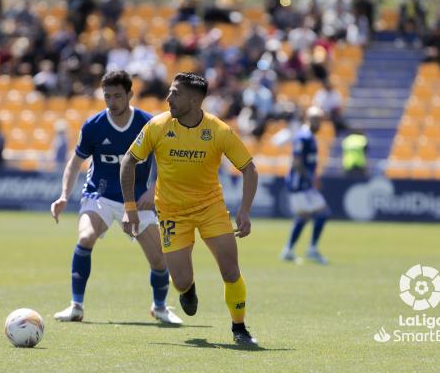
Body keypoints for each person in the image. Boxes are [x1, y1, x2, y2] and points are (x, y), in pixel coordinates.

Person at [120, 72, 259, 346]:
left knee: (231, 270)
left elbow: (249, 169)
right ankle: (188, 290)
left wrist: (245, 211)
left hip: (211, 208)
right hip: (172, 213)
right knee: (181, 281)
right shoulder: (157, 126)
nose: (168, 98)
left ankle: (239, 327)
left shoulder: (218, 130)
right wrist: (129, 208)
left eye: (175, 93)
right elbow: (128, 162)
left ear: (194, 100)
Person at [50, 70, 182, 325]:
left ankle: (160, 307)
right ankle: (76, 306)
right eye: (107, 96)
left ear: (130, 95)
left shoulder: (148, 123)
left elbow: (166, 159)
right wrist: (64, 195)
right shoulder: (93, 126)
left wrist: (152, 188)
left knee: (159, 259)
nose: (112, 102)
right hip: (101, 195)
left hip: (136, 199)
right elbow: (75, 162)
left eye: (117, 96)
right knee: (86, 237)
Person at [280, 106, 330, 265]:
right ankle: (312, 249)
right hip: (299, 185)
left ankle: (288, 250)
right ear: (308, 119)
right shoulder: (303, 137)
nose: (319, 123)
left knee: (303, 217)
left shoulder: (309, 136)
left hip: (304, 184)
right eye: (316, 120)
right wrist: (310, 178)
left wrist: (312, 177)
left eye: (320, 120)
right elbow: (296, 162)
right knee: (322, 213)